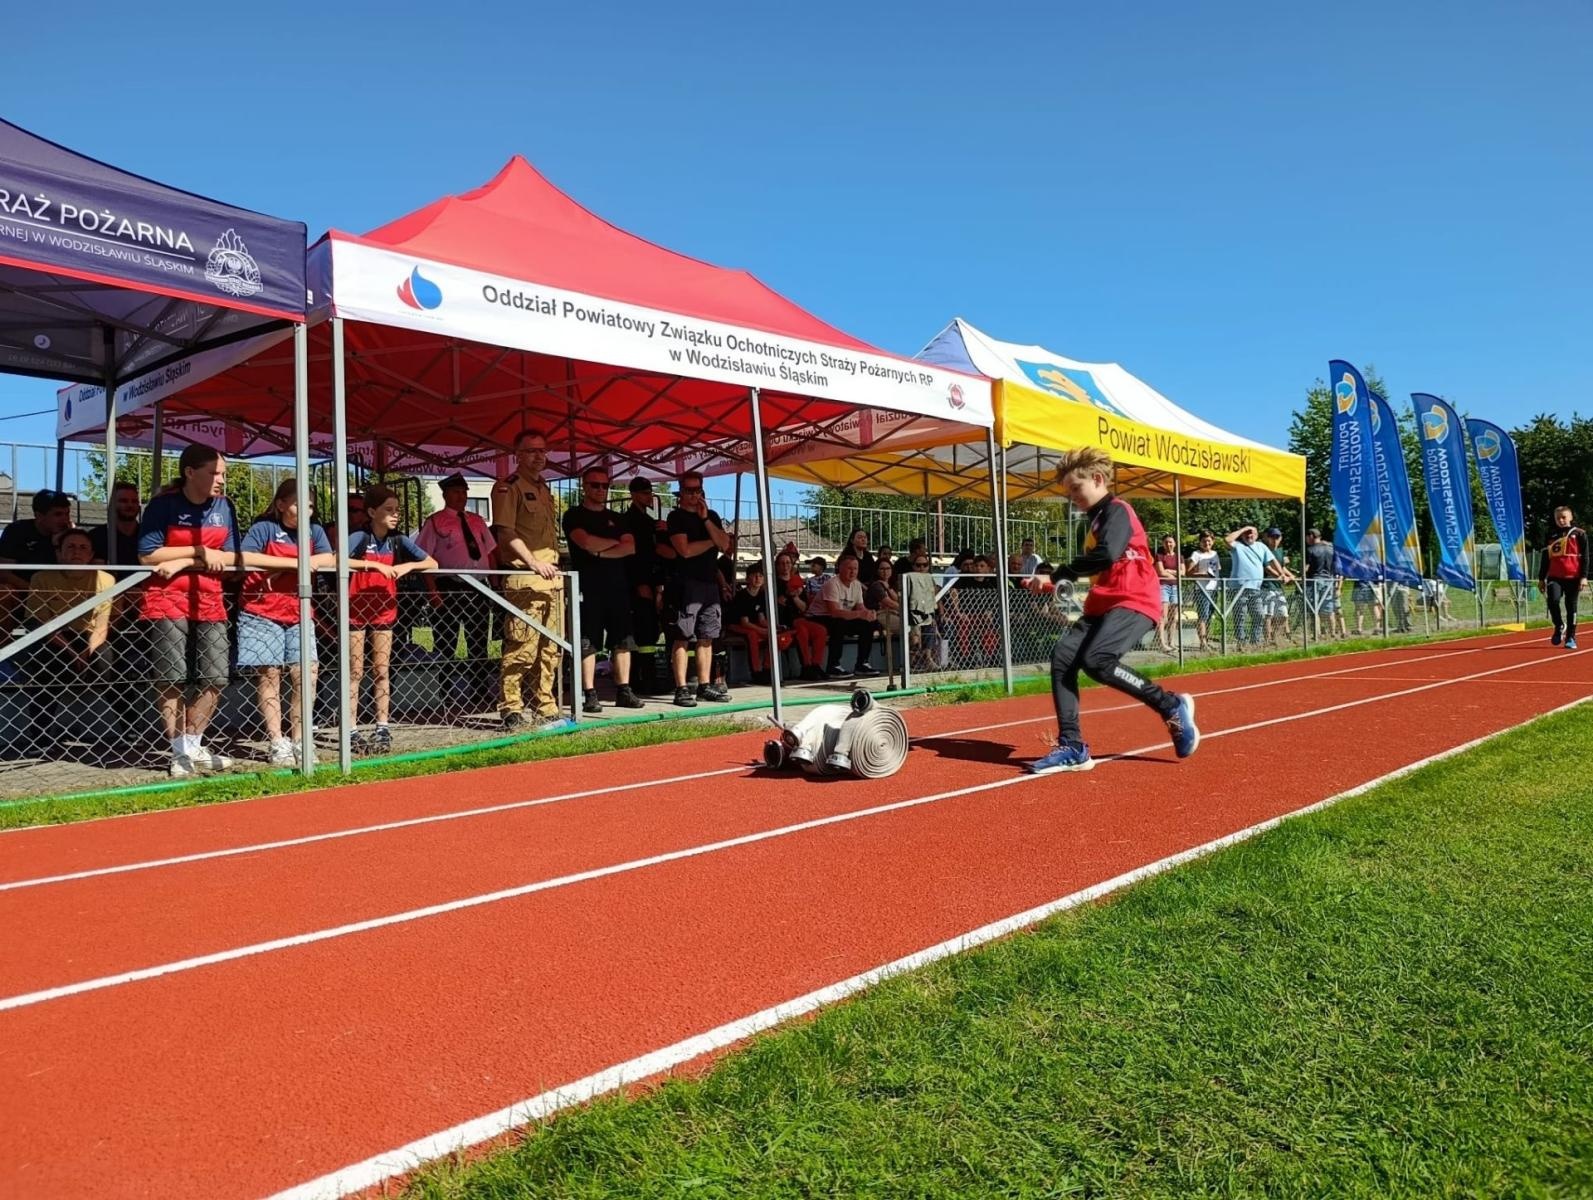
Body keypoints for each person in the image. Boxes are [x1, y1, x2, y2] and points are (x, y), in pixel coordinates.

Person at [1025, 447, 1198, 773]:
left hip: (1135, 600)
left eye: (1076, 489)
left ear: (1098, 479)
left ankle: (1170, 705)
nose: (1072, 497)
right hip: (1103, 602)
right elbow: (1099, 566)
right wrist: (1051, 582)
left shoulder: (1118, 511)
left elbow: (1107, 555)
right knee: (1063, 658)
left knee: (1097, 661)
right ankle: (1073, 746)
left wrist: (1059, 573)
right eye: (1068, 493)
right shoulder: (1093, 523)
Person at [137, 444, 241, 777]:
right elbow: (147, 555)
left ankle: (193, 744)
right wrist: (198, 550)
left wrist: (185, 559)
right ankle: (178, 750)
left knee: (216, 675)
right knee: (172, 676)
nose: (221, 480)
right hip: (167, 598)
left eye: (223, 473)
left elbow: (231, 557)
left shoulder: (225, 507)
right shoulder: (162, 505)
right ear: (190, 473)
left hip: (210, 597)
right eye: (214, 473)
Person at [237, 479, 337, 766]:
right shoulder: (264, 528)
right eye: (298, 504)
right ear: (281, 505)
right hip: (261, 611)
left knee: (307, 674)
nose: (305, 510)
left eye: (310, 505)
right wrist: (295, 564)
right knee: (270, 675)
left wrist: (306, 562)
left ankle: (301, 740)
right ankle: (277, 740)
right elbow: (247, 557)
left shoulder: (314, 531)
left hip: (299, 612)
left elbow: (327, 557)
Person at [346, 484, 437, 754]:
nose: (395, 515)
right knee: (355, 671)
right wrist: (372, 565)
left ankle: (382, 726)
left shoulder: (398, 539)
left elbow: (432, 562)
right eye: (389, 510)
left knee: (382, 670)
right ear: (372, 511)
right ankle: (351, 729)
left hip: (385, 610)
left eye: (397, 510)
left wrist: (408, 565)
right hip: (356, 611)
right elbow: (338, 559)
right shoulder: (359, 537)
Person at [491, 432, 566, 730]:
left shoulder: (544, 489)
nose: (539, 456)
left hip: (552, 581)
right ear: (517, 455)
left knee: (551, 648)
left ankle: (545, 703)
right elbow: (505, 533)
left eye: (543, 451)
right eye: (531, 451)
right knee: (522, 646)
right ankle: (511, 706)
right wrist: (533, 562)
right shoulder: (508, 488)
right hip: (526, 578)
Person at [20, 527, 113, 755]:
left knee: (114, 661)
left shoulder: (105, 578)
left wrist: (88, 651)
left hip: (89, 637)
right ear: (59, 553)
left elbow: (102, 625)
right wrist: (72, 652)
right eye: (70, 547)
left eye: (83, 548)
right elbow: (40, 623)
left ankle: (132, 730)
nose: (76, 552)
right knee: (45, 665)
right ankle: (40, 737)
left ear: (91, 555)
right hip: (56, 637)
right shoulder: (41, 577)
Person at [563, 465, 645, 713]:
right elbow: (584, 542)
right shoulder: (574, 515)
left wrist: (600, 550)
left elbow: (630, 548)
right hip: (588, 587)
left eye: (605, 485)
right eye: (595, 485)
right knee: (589, 641)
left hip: (617, 587)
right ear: (584, 487)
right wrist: (608, 546)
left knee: (623, 641)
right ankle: (589, 693)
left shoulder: (619, 518)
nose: (601, 490)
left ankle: (624, 690)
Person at [416, 472, 498, 711]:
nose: (461, 497)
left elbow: (491, 552)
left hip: (478, 585)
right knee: (446, 641)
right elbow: (425, 558)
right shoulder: (435, 522)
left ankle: (480, 690)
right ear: (445, 495)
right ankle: (445, 691)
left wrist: (495, 584)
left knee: (478, 639)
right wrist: (433, 592)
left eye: (464, 493)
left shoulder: (477, 520)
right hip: (449, 585)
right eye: (456, 492)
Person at [665, 470, 731, 707]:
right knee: (683, 636)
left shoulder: (710, 515)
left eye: (698, 491)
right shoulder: (675, 517)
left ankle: (704, 685)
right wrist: (712, 541)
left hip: (709, 583)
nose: (694, 495)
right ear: (681, 492)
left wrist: (706, 522)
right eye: (689, 491)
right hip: (686, 583)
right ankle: (681, 688)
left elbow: (725, 545)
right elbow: (685, 550)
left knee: (707, 636)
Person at [1, 489, 72, 638]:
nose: (64, 519)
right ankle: (5, 649)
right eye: (58, 514)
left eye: (67, 514)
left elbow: (74, 572)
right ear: (39, 515)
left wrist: (59, 545)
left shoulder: (69, 535)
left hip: (60, 593)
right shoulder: (17, 530)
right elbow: (4, 572)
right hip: (22, 592)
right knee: (4, 592)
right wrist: (36, 592)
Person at [807, 552, 879, 678]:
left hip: (842, 616)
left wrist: (869, 614)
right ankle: (833, 665)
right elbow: (834, 612)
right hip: (818, 617)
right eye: (849, 568)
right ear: (840, 569)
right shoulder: (832, 584)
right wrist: (859, 614)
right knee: (839, 624)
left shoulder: (856, 585)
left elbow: (860, 607)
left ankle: (862, 663)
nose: (852, 572)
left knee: (867, 624)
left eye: (855, 568)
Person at [726, 561, 793, 685]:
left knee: (777, 637)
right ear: (747, 578)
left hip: (754, 625)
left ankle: (767, 669)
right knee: (752, 635)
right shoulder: (742, 596)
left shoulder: (762, 595)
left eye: (761, 576)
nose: (758, 579)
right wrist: (763, 631)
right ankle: (756, 672)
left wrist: (774, 627)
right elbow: (744, 622)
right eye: (754, 575)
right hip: (736, 625)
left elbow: (762, 619)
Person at [621, 477, 663, 656]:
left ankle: (648, 672)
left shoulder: (649, 521)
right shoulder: (627, 520)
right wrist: (640, 583)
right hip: (636, 581)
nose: (649, 497)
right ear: (633, 495)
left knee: (652, 626)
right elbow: (631, 555)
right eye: (645, 493)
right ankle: (641, 676)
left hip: (652, 578)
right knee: (641, 625)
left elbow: (655, 553)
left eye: (650, 493)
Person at [1540, 505, 1588, 649]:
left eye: (1564, 517)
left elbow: (1585, 557)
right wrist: (1541, 578)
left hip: (1573, 577)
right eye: (1558, 518)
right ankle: (1559, 625)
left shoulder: (1580, 534)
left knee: (1571, 607)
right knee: (1553, 600)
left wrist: (1583, 576)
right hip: (1555, 576)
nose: (1561, 520)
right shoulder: (1551, 535)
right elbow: (1545, 558)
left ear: (1570, 518)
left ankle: (1571, 637)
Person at [774, 551, 827, 679]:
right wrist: (787, 594)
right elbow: (778, 604)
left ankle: (816, 665)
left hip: (800, 618)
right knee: (801, 630)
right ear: (777, 566)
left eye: (788, 563)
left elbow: (804, 608)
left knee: (821, 631)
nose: (785, 566)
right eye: (782, 563)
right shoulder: (774, 583)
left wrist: (795, 597)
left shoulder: (797, 582)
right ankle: (806, 666)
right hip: (784, 621)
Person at [1224, 525, 1278, 646]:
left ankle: (1255, 641)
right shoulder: (1237, 546)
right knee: (1240, 616)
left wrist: (1281, 574)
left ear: (1257, 535)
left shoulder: (1261, 547)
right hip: (1239, 587)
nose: (1249, 535)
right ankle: (1241, 642)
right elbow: (1227, 540)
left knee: (1259, 615)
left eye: (1252, 533)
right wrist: (1244, 529)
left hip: (1255, 588)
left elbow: (1272, 562)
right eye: (1246, 533)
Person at [866, 556, 905, 681]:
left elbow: (899, 600)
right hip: (880, 614)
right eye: (882, 569)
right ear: (877, 571)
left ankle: (918, 659)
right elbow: (889, 602)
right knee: (907, 627)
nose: (885, 571)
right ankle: (910, 662)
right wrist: (906, 611)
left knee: (917, 627)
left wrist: (888, 588)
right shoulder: (877, 585)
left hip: (894, 613)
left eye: (888, 568)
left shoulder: (891, 585)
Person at [1303, 528, 1346, 640]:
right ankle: (1332, 633)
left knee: (1314, 609)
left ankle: (1317, 635)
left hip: (1315, 581)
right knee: (1329, 609)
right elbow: (1337, 566)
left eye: (1307, 537)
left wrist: (1301, 575)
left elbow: (1306, 567)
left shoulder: (1310, 550)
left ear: (1311, 536)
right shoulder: (1331, 549)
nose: (1306, 539)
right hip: (1329, 581)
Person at [1257, 527, 1298, 644]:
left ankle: (1275, 636)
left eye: (1277, 537)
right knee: (1268, 614)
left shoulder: (1280, 551)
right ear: (1267, 538)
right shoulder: (1264, 550)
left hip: (1278, 588)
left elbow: (1282, 567)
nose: (1275, 540)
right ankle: (1267, 639)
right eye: (1272, 537)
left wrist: (1291, 576)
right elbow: (1267, 567)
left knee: (1283, 614)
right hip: (1267, 586)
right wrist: (1281, 577)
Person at [89, 480, 142, 567]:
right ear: (112, 504)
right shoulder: (96, 536)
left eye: (134, 501)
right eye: (123, 501)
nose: (130, 505)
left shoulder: (148, 535)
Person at [1185, 530, 1221, 650]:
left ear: (1213, 541)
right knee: (1203, 616)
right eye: (1204, 541)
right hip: (1201, 589)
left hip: (1214, 589)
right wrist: (1202, 574)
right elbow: (1188, 572)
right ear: (1200, 542)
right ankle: (1203, 643)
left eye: (1209, 541)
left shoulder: (1215, 553)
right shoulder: (1196, 554)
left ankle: (1207, 639)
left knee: (1210, 616)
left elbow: (1217, 569)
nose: (1206, 543)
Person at [1154, 533, 1181, 653]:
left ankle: (1171, 641)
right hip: (1163, 586)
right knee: (1163, 617)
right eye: (1166, 542)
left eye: (1171, 542)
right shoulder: (1159, 556)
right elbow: (1160, 572)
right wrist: (1174, 573)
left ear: (1175, 543)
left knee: (1173, 617)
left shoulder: (1179, 556)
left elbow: (1183, 572)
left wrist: (1169, 571)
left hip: (1175, 587)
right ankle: (1162, 642)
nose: (1168, 544)